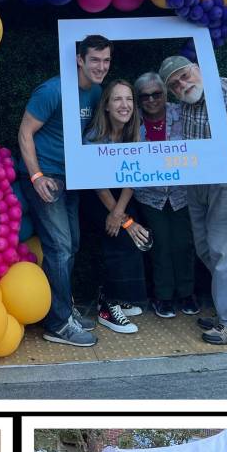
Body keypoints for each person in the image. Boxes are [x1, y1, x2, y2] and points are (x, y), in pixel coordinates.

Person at [159, 55, 227, 345]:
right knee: (207, 248)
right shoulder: (186, 102)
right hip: (200, 179)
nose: (183, 84)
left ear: (197, 68)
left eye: (185, 75)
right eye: (175, 84)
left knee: (226, 251)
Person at [18, 34, 112, 347]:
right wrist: (36, 176)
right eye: (95, 60)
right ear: (79, 59)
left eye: (106, 60)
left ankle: (62, 310)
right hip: (47, 177)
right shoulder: (53, 90)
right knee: (59, 246)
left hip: (74, 179)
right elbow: (25, 133)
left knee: (70, 246)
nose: (101, 66)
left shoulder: (96, 91)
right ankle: (58, 324)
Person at [83, 79, 153, 333]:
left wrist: (122, 215)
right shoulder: (94, 135)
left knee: (134, 234)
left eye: (129, 100)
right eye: (117, 99)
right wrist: (119, 218)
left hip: (123, 195)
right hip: (96, 195)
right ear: (106, 107)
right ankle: (106, 307)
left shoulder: (138, 130)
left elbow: (135, 174)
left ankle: (120, 296)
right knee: (119, 238)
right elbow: (96, 181)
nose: (125, 105)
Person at [132, 72, 199, 320]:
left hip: (182, 193)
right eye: (145, 96)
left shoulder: (181, 112)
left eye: (156, 94)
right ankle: (163, 295)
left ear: (165, 93)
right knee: (159, 245)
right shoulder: (133, 120)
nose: (151, 100)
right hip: (150, 195)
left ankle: (187, 292)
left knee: (184, 243)